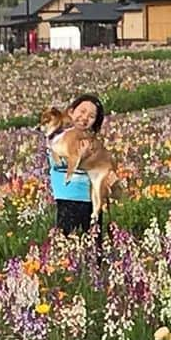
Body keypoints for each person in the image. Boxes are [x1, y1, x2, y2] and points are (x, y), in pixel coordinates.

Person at [50, 93, 105, 234]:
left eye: (92, 116)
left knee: (93, 240)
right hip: (68, 195)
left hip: (91, 197)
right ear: (71, 112)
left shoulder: (93, 141)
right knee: (68, 239)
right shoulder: (58, 136)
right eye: (82, 111)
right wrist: (81, 157)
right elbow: (56, 161)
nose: (85, 118)